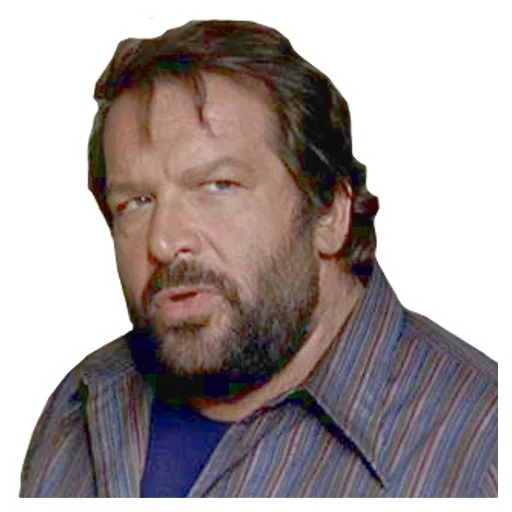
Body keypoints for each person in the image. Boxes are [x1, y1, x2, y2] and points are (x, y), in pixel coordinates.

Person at [20, 20, 497, 498]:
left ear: (329, 213)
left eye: (217, 186)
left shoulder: (485, 439)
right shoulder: (80, 401)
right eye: (136, 203)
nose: (164, 241)